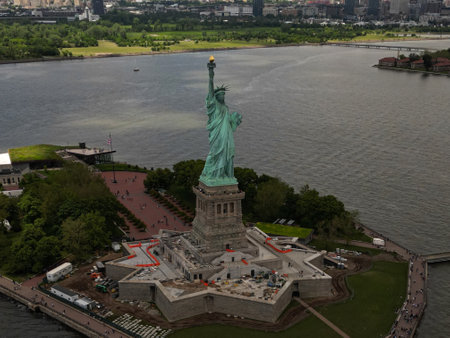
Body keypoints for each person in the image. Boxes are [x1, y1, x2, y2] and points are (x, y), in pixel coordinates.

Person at [200, 57, 242, 186]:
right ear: (216, 97)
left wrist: (235, 120)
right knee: (216, 152)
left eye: (224, 95)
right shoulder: (214, 105)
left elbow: (230, 122)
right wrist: (211, 73)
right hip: (217, 134)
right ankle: (213, 174)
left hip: (227, 134)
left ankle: (225, 174)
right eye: (221, 95)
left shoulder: (225, 108)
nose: (223, 97)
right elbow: (211, 89)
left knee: (227, 152)